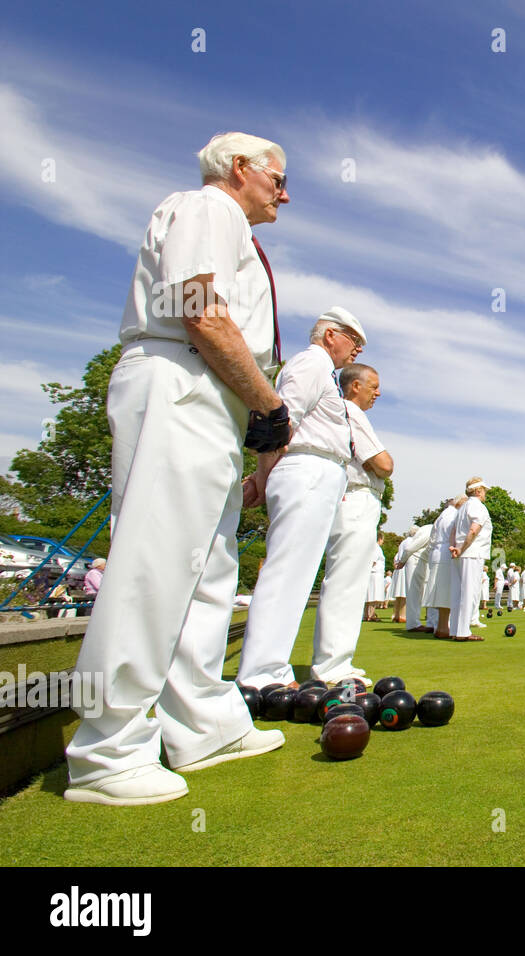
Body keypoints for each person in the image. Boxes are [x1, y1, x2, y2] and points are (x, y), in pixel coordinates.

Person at [65, 132, 291, 805]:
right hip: (180, 382)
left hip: (213, 397)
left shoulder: (232, 228)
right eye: (278, 179)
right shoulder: (208, 208)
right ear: (240, 169)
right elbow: (198, 308)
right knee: (154, 562)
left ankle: (202, 724)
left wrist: (251, 422)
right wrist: (268, 404)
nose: (285, 193)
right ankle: (107, 750)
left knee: (207, 570)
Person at [236, 307, 369, 690]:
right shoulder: (311, 364)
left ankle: (266, 668)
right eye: (353, 340)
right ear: (330, 335)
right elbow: (277, 421)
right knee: (288, 571)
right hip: (307, 469)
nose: (356, 350)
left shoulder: (320, 370)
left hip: (319, 472)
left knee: (297, 572)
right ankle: (262, 674)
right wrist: (263, 476)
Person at [311, 363, 392, 682]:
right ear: (354, 385)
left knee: (345, 578)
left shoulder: (343, 411)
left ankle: (332, 660)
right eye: (373, 386)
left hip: (354, 496)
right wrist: (381, 466)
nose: (378, 392)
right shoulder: (350, 411)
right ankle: (332, 664)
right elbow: (384, 464)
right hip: (357, 497)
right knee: (346, 580)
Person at [449, 477, 493, 641]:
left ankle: (455, 629)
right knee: (469, 591)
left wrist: (454, 547)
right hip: (471, 553)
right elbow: (474, 530)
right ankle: (463, 632)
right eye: (484, 491)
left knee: (457, 592)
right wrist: (461, 548)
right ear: (478, 491)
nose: (485, 494)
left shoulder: (462, 508)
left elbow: (453, 531)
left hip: (460, 553)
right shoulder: (477, 506)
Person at [424, 497, 464, 637]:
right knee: (446, 591)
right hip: (446, 552)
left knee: (439, 591)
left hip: (437, 552)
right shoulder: (453, 515)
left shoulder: (441, 516)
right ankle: (443, 627)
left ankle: (438, 624)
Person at [392, 525, 432, 629]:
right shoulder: (429, 531)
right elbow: (410, 548)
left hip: (421, 561)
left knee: (418, 593)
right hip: (414, 561)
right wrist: (402, 561)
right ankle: (413, 624)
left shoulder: (429, 529)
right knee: (414, 592)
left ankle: (415, 622)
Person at [364, 531, 386, 622]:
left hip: (373, 573)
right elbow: (373, 561)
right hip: (375, 573)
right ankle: (371, 615)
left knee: (370, 595)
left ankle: (367, 614)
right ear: (379, 539)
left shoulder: (372, 548)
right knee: (374, 595)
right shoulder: (376, 548)